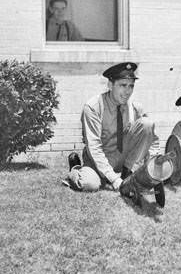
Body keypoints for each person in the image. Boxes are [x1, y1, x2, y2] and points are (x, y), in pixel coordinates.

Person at [67, 62, 165, 207]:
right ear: (110, 85)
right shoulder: (93, 107)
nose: (127, 91)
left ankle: (127, 177)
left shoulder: (135, 107)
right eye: (122, 85)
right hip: (98, 158)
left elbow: (152, 138)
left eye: (131, 86)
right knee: (89, 184)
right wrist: (114, 179)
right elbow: (94, 148)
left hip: (123, 158)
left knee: (147, 123)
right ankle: (75, 169)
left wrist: (153, 166)